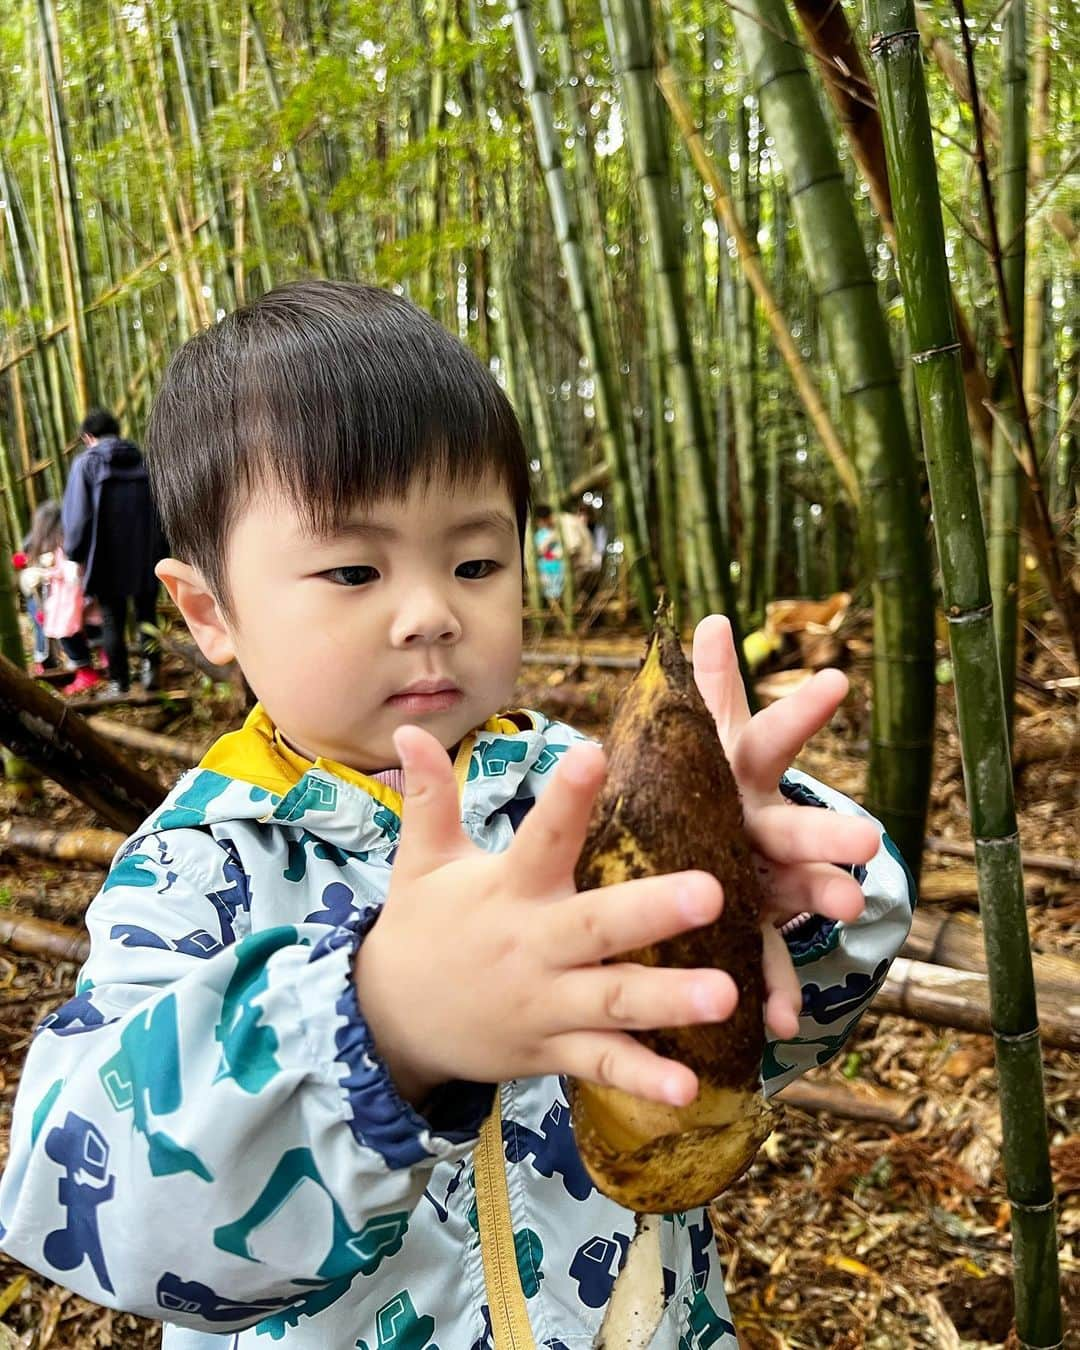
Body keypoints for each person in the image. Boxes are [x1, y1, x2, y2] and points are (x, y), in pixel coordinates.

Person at [0, 281, 914, 1349]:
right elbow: (82, 1203)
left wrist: (749, 887)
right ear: (209, 610)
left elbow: (753, 1061)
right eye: (353, 568)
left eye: (476, 562)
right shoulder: (201, 870)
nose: (433, 611)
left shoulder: (577, 799)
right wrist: (377, 1021)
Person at [62, 408, 166, 693]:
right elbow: (163, 510)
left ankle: (119, 682)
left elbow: (78, 516)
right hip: (147, 554)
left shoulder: (86, 465)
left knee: (112, 619)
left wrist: (73, 554)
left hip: (106, 559)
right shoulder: (145, 461)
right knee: (147, 614)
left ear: (87, 437)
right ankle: (151, 673)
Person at [15, 499, 103, 694]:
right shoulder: (69, 536)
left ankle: (87, 671)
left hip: (67, 598)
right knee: (88, 625)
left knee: (68, 632)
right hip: (76, 594)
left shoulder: (64, 541)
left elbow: (64, 569)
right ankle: (96, 662)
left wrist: (46, 573)